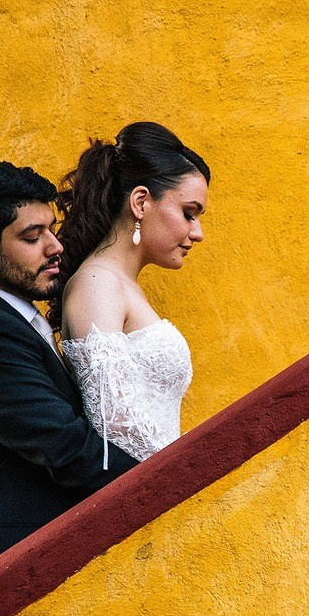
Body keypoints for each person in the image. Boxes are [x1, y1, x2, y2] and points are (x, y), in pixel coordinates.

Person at [0, 161, 135, 601]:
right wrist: (164, 477)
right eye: (33, 237)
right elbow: (66, 448)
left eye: (52, 230)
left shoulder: (8, 321)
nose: (55, 247)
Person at [52, 123, 209, 467]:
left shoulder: (119, 284)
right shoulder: (97, 283)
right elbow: (115, 424)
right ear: (140, 202)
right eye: (188, 213)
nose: (197, 233)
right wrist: (184, 474)